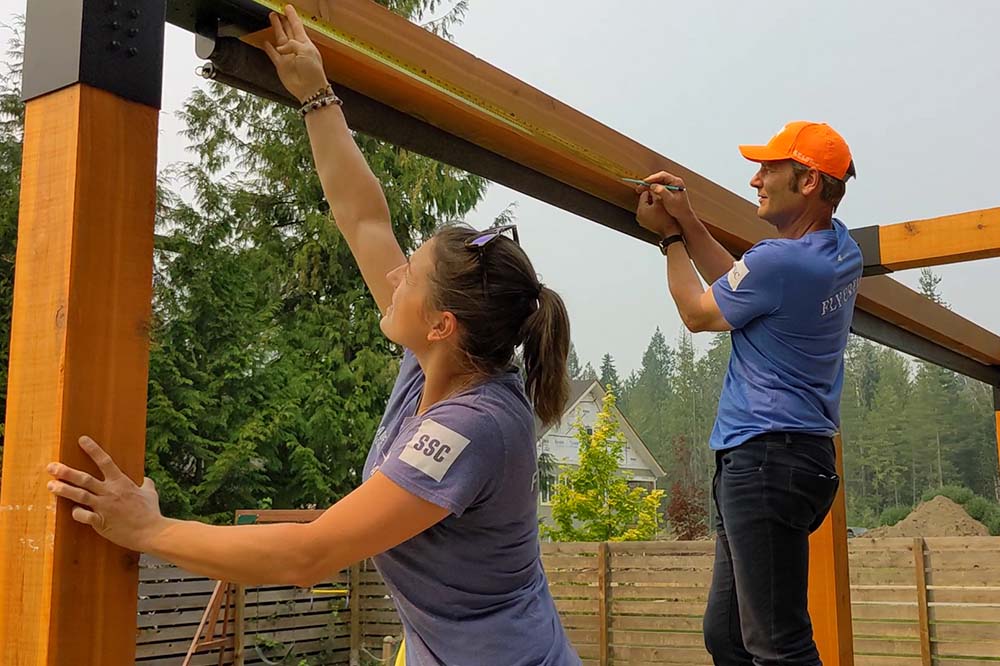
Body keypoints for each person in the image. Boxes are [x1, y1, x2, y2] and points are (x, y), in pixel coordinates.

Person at [46, 5, 580, 665]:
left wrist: (149, 530)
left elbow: (310, 554)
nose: (392, 273)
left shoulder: (475, 425)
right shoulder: (438, 357)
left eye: (408, 276)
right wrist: (315, 94)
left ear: (443, 322)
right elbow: (364, 221)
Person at [633, 121, 862, 666]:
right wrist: (687, 218)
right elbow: (739, 281)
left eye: (769, 169)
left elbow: (698, 311)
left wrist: (666, 238)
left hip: (766, 460)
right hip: (794, 462)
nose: (756, 179)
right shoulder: (839, 251)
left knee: (777, 644)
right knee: (728, 636)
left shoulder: (782, 262)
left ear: (807, 183)